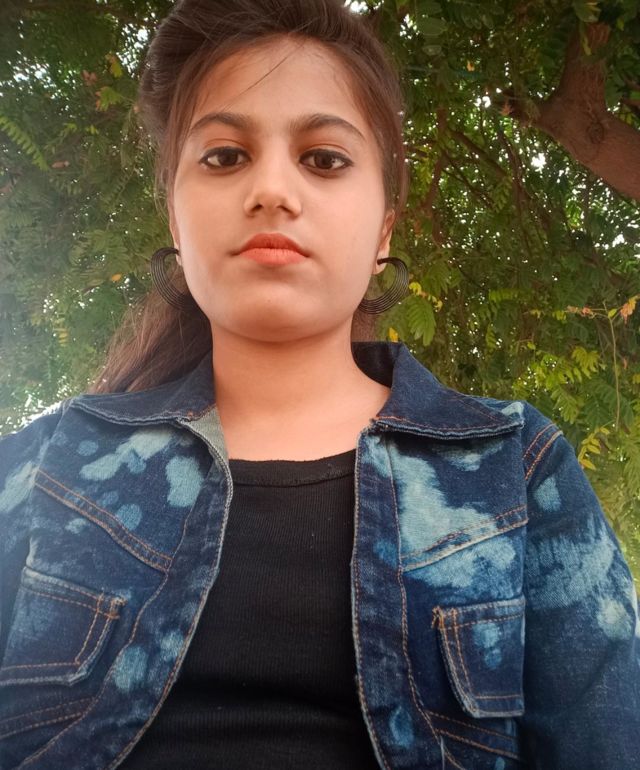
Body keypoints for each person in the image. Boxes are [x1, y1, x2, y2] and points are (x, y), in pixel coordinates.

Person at [0, 1, 638, 768]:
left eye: (325, 159)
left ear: (384, 232)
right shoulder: (45, 468)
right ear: (174, 217)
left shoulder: (516, 468)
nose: (272, 189)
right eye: (224, 156)